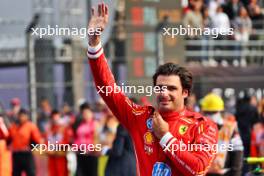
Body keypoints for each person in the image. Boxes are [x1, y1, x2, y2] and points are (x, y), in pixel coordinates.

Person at [86, 3, 218, 176]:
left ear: (185, 92)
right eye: (160, 88)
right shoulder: (140, 118)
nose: (164, 93)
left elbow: (198, 168)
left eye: (171, 88)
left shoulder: (203, 126)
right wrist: (94, 44)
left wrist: (165, 136)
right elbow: (108, 89)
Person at [200, 93, 243, 176]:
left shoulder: (230, 128)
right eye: (208, 112)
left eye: (213, 112)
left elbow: (237, 153)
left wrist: (235, 173)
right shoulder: (198, 128)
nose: (210, 115)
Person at [7, 109, 43, 176]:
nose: (21, 118)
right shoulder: (14, 126)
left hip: (27, 154)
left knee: (31, 173)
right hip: (16, 154)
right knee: (15, 173)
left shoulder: (30, 126)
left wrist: (31, 147)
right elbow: (8, 138)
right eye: (20, 116)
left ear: (26, 117)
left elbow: (37, 140)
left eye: (23, 116)